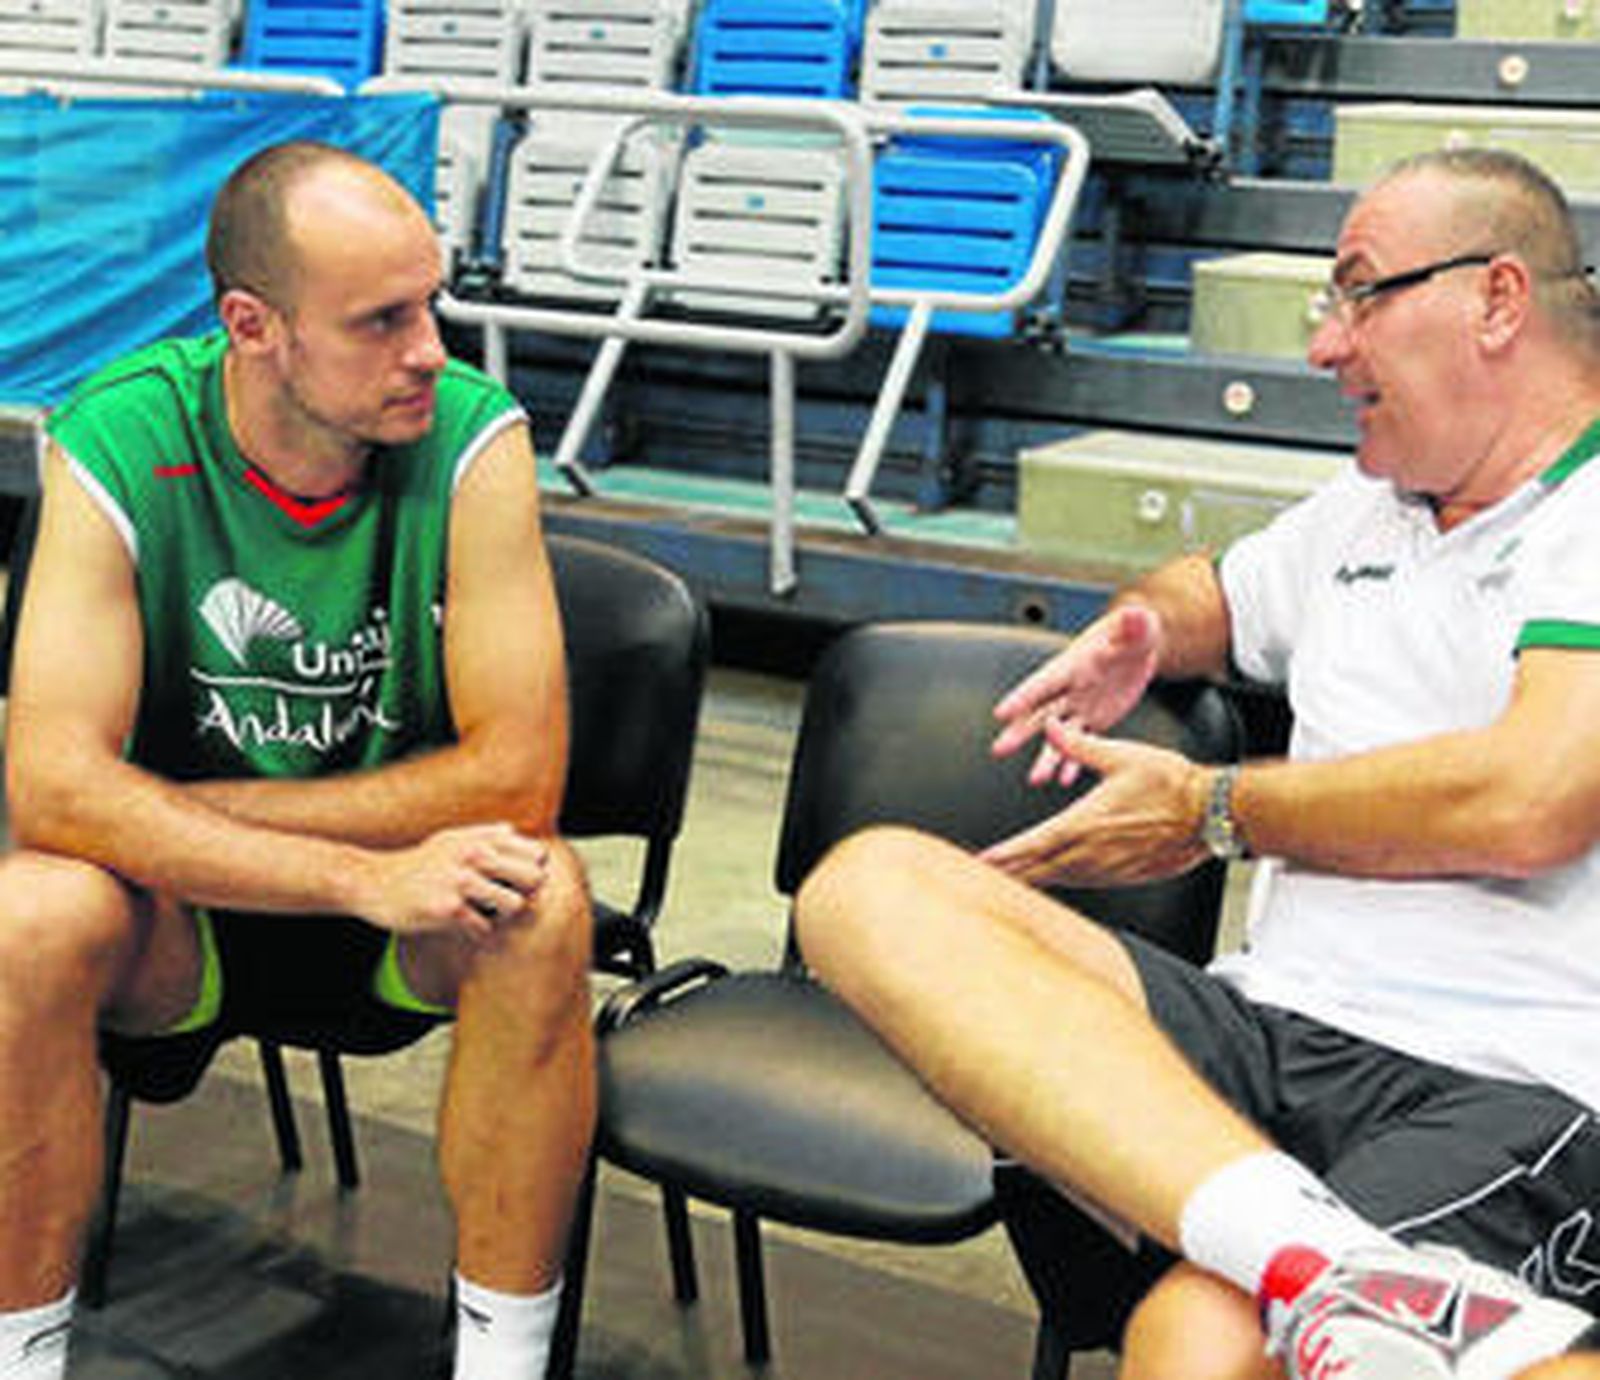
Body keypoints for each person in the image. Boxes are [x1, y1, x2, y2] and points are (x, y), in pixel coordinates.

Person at [796, 146, 1600, 1379]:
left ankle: (1303, 1272)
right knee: (868, 888)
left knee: (1193, 1341)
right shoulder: (1366, 510)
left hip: (1509, 1079)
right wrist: (1145, 632)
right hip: (1267, 1022)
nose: (1327, 346)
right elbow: (1211, 592)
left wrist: (1213, 808)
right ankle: (1313, 1261)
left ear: (1496, 299)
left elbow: (1531, 798)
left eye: (1358, 293)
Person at [0, 142, 593, 1380]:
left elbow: (520, 777)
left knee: (541, 903)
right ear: (252, 325)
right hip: (190, 915)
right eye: (380, 320)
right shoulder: (117, 440)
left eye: (433, 300)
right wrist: (344, 873)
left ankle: (501, 1365)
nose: (428, 347)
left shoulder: (475, 441)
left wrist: (177, 808)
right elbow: (53, 792)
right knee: (26, 916)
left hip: (403, 906)